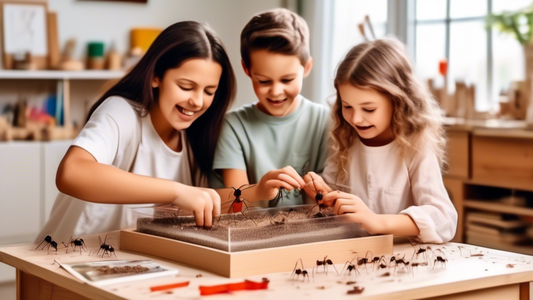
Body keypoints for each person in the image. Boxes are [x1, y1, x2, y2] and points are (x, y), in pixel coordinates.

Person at [35, 21, 236, 244]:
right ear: (155, 76)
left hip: (132, 269)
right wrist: (177, 191)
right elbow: (71, 173)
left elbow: (208, 202)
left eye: (209, 91)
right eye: (186, 87)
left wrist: (259, 191)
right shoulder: (121, 112)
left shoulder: (196, 139)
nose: (197, 101)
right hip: (63, 263)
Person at [304, 38, 457, 243]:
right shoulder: (345, 139)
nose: (356, 118)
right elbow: (333, 213)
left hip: (406, 262)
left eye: (369, 109)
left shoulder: (416, 146)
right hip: (355, 258)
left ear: (398, 102)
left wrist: (377, 221)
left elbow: (444, 220)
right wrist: (322, 193)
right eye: (347, 106)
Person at [212, 8, 330, 208]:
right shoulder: (233, 126)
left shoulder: (324, 121)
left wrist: (319, 193)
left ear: (307, 67)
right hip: (249, 236)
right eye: (264, 81)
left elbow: (324, 206)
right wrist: (259, 190)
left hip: (308, 237)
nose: (276, 91)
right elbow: (235, 207)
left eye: (287, 79)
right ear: (247, 70)